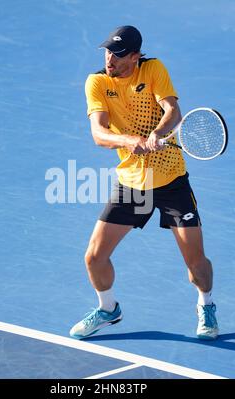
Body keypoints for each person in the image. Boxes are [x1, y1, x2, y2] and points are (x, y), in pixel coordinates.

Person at [69, 26, 218, 340]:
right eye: (109, 51)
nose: (111, 59)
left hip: (171, 182)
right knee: (94, 258)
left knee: (196, 264)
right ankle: (108, 309)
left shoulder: (153, 70)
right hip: (132, 185)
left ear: (135, 56)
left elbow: (173, 110)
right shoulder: (97, 82)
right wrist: (128, 139)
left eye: (119, 54)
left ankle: (206, 304)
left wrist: (157, 134)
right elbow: (98, 134)